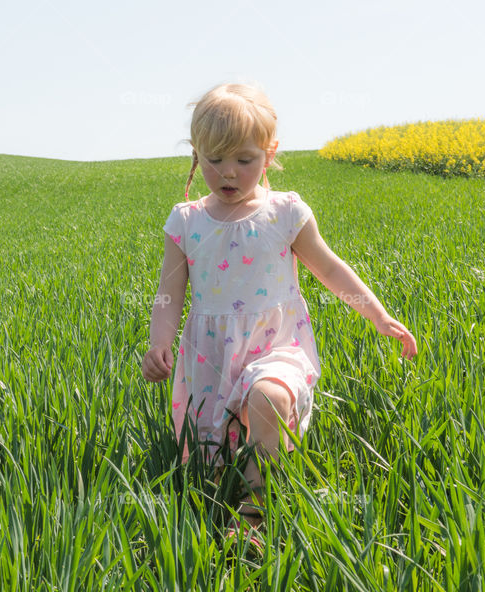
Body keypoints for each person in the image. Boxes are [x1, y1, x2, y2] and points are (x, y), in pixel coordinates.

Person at [141, 82, 418, 548]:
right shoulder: (186, 221)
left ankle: (255, 510)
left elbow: (329, 268)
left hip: (276, 346)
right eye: (214, 160)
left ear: (270, 154)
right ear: (196, 154)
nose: (228, 172)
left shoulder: (285, 212)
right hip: (210, 356)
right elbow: (168, 294)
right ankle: (230, 485)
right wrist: (159, 343)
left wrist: (376, 314)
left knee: (268, 398)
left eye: (244, 160)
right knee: (209, 463)